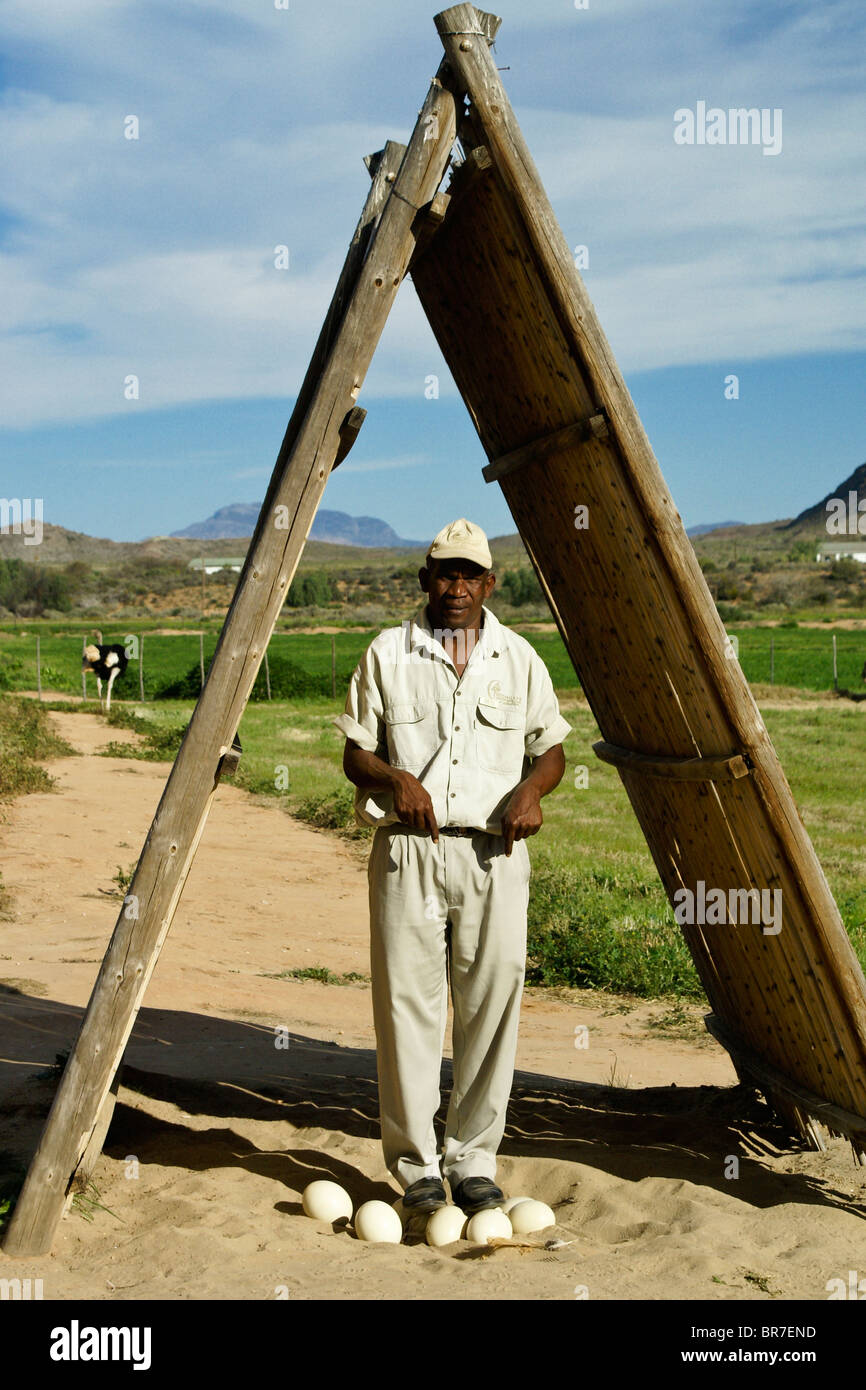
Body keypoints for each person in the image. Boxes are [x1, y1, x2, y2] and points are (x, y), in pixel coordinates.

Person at [334, 518, 571, 1215]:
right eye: (445, 573)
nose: (457, 587)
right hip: (409, 851)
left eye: (470, 574)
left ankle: (472, 1158)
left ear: (490, 583)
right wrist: (394, 779)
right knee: (408, 1006)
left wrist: (531, 789)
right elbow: (354, 754)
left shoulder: (518, 658)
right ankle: (415, 1166)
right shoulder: (387, 653)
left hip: (493, 855)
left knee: (491, 1005)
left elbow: (550, 748)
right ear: (424, 581)